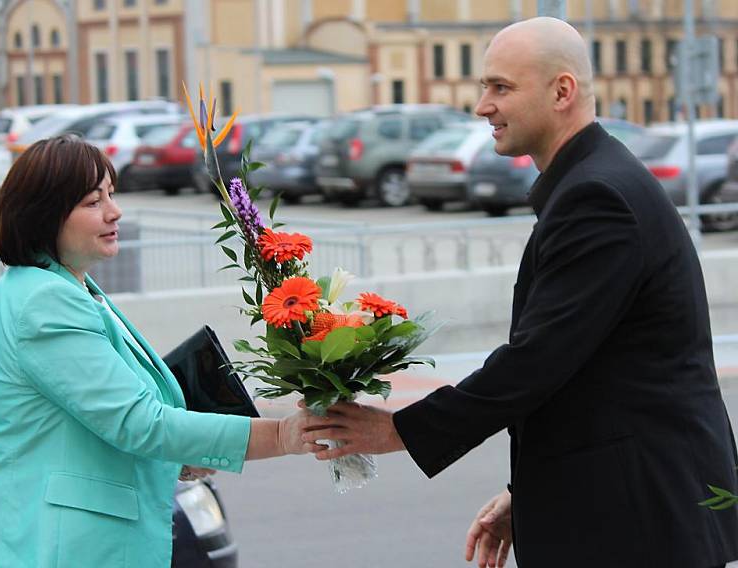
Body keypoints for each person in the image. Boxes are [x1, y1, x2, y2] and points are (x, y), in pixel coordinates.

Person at [303, 17, 738, 568]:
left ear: (563, 91)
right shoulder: (594, 182)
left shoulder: (597, 196)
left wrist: (398, 429)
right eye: (485, 86)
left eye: (501, 87)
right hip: (627, 502)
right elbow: (590, 374)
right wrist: (528, 492)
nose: (483, 105)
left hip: (641, 517)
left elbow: (537, 361)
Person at [0, 135, 328, 568]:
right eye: (93, 202)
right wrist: (282, 435)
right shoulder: (45, 302)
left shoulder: (65, 287)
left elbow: (85, 425)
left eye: (111, 195)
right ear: (46, 215)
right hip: (49, 548)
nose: (114, 212)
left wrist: (181, 454)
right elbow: (137, 423)